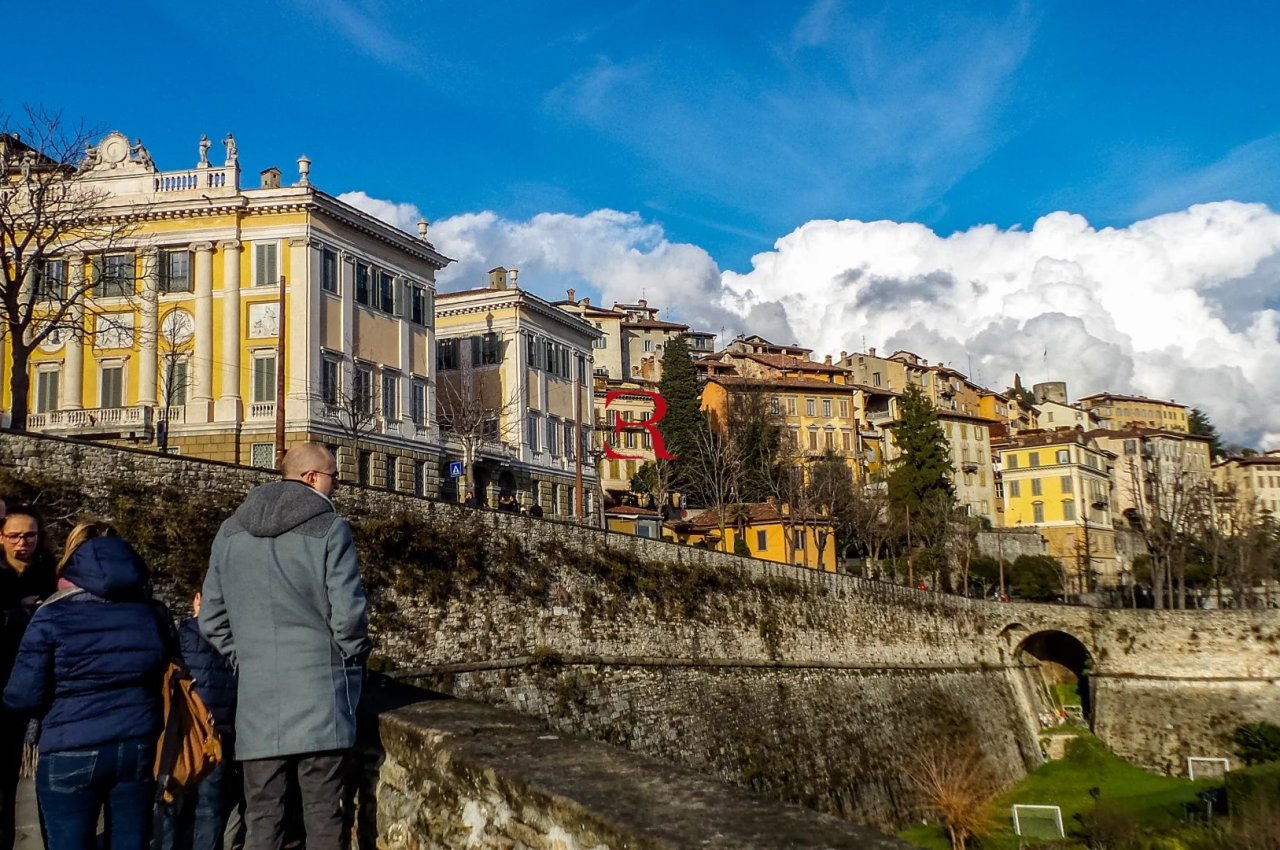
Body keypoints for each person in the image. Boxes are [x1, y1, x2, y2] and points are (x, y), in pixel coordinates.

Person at [200, 443, 370, 850]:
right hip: (321, 700)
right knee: (324, 818)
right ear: (311, 478)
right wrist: (344, 655)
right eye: (334, 476)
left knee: (262, 820)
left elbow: (210, 618)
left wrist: (248, 657)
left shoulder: (230, 531)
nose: (338, 485)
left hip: (258, 704)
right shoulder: (330, 529)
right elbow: (348, 616)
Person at [3, 522, 169, 850]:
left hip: (70, 743)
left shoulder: (52, 613)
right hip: (135, 743)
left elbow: (22, 695)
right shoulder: (150, 614)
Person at [155, 591, 241, 850]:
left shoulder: (181, 637)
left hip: (181, 735)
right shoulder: (236, 641)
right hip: (218, 737)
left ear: (197, 600)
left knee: (168, 804)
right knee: (209, 809)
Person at [0, 503, 56, 850]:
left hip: (42, 692)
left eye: (30, 535)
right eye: (15, 536)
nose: (23, 543)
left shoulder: (51, 572)